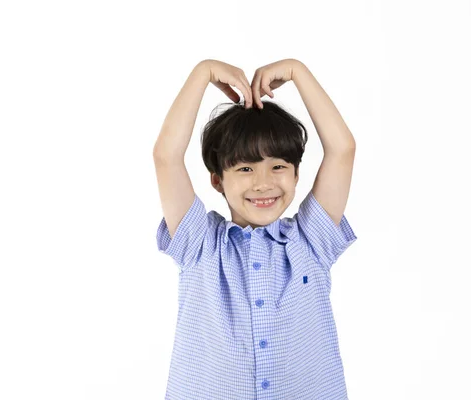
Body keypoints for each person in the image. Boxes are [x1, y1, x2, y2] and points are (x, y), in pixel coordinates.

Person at [152, 58, 358, 400]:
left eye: (278, 166)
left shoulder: (310, 241)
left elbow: (342, 149)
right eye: (245, 169)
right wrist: (202, 73)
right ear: (218, 180)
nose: (264, 183)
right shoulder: (200, 245)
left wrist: (297, 71)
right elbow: (166, 156)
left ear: (295, 175)